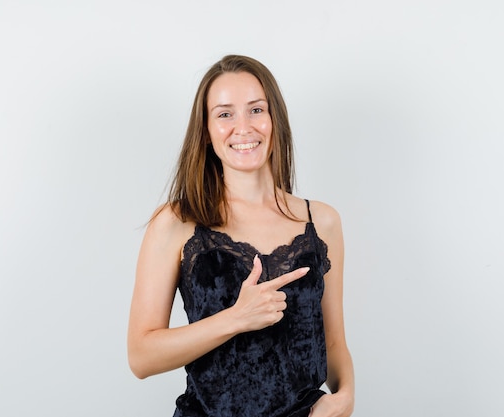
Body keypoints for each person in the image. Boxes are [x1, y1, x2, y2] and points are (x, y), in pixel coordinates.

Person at [127, 55, 354, 417]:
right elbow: (141, 356)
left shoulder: (321, 222)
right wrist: (237, 317)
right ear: (205, 131)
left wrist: (344, 398)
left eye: (256, 110)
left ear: (274, 119)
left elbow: (334, 342)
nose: (243, 127)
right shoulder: (176, 223)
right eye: (225, 114)